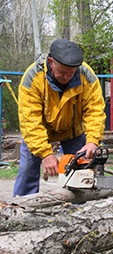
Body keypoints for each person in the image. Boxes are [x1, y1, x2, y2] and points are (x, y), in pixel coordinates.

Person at [13, 39, 106, 196]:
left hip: (72, 131)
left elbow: (95, 110)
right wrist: (45, 154)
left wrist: (92, 142)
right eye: (62, 72)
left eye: (71, 73)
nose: (67, 77)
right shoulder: (32, 78)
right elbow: (30, 120)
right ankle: (21, 207)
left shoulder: (86, 76)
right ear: (51, 61)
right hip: (40, 130)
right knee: (27, 170)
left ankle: (82, 206)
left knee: (83, 169)